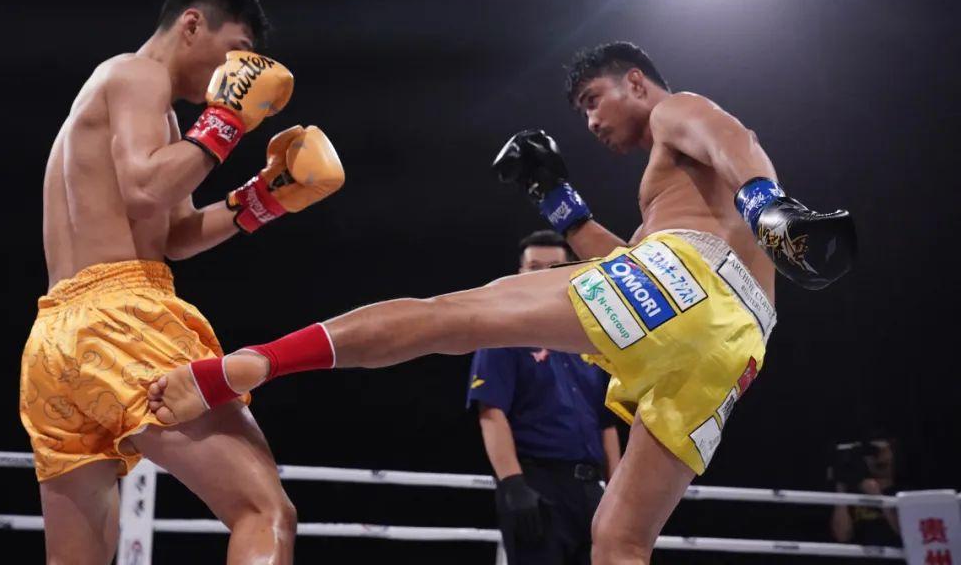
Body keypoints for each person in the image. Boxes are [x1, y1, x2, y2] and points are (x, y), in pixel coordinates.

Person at [149, 41, 856, 564]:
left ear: (636, 82)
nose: (590, 121)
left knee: (449, 316)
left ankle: (252, 364)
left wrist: (771, 206)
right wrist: (557, 198)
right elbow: (632, 267)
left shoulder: (678, 109)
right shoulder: (677, 196)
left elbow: (732, 139)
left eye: (593, 100)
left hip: (694, 279)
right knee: (618, 539)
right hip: (733, 344)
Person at [19, 0, 345, 564]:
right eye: (237, 51)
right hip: (121, 320)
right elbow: (146, 188)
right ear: (192, 23)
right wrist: (227, 121)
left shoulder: (137, 104)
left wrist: (264, 197)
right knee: (264, 512)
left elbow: (173, 234)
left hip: (54, 342)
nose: (237, 72)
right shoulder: (137, 74)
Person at [469, 229, 622, 564]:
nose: (542, 276)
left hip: (590, 488)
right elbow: (491, 412)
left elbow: (606, 421)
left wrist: (618, 490)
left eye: (552, 268)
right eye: (534, 267)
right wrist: (513, 484)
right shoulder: (502, 332)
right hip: (537, 483)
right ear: (520, 273)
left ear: (569, 271)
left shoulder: (588, 334)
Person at [829, 434, 902, 548]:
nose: (876, 456)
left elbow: (906, 532)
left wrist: (879, 497)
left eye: (883, 450)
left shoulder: (903, 492)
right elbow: (842, 536)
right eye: (871, 453)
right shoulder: (854, 494)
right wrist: (841, 487)